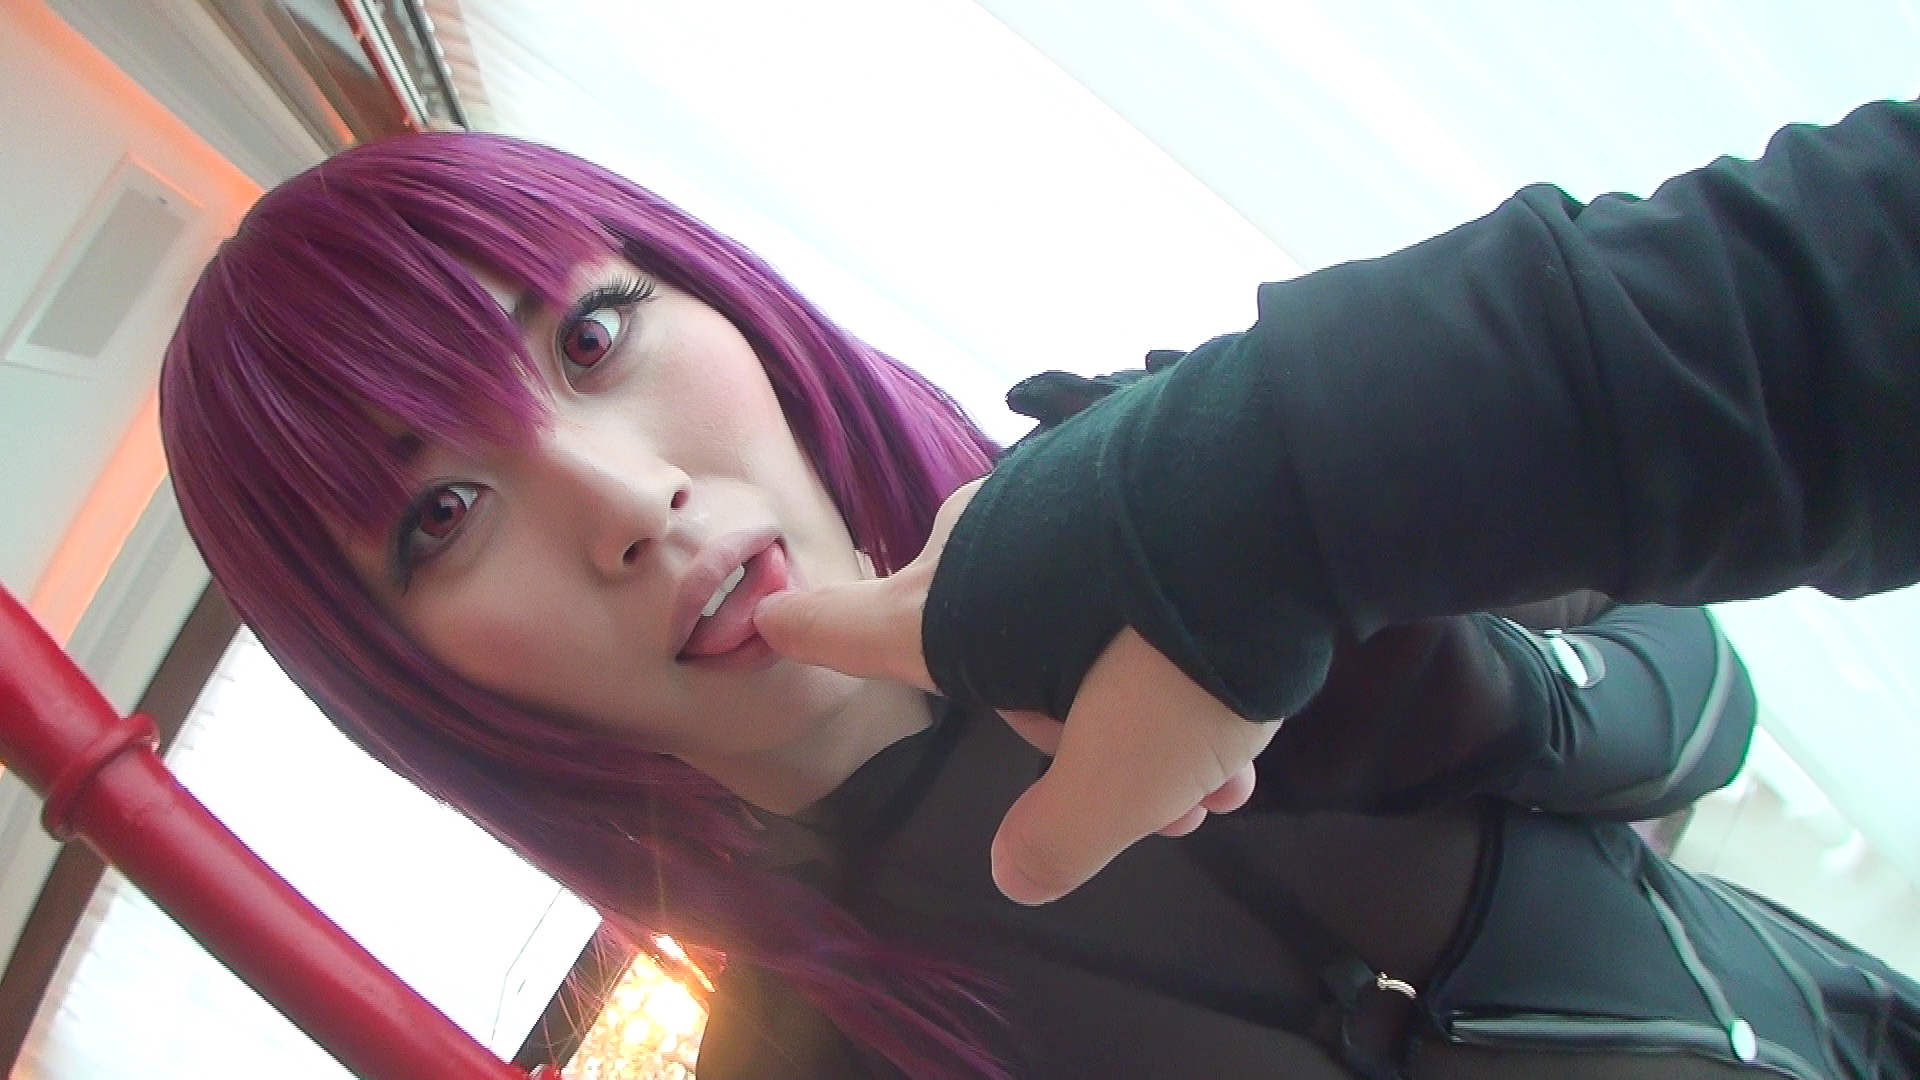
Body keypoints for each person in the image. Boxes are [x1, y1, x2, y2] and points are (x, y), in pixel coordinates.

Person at [157, 133, 1917, 1079]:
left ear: (721, 300)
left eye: (594, 334)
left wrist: (1477, 688)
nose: (624, 504)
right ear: (404, 674)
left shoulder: (1159, 484)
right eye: (445, 515)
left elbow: (1706, 690)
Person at [757, 95, 1920, 908]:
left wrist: (1497, 688)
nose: (655, 501)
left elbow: (1712, 701)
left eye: (640, 326)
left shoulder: (1118, 459)